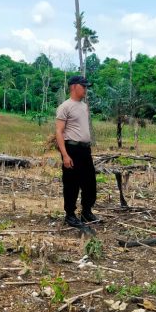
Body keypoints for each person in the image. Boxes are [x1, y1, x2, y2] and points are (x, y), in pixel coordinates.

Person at [55, 75, 98, 233]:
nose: (86, 89)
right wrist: (65, 155)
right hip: (71, 149)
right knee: (71, 183)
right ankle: (70, 214)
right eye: (84, 86)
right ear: (74, 87)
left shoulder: (84, 106)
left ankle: (86, 211)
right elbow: (59, 132)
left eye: (87, 86)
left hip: (85, 149)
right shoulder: (65, 107)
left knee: (90, 182)